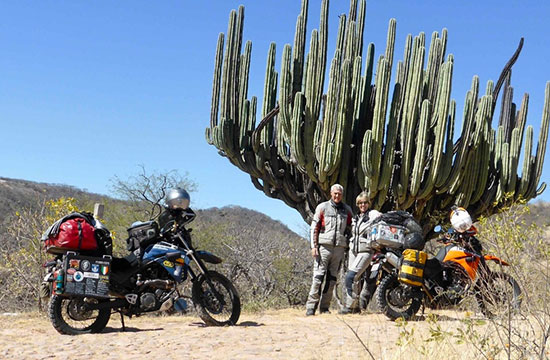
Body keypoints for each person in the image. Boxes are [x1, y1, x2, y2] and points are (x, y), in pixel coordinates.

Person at [305, 184, 353, 316]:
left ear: (342, 195)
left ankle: (324, 307)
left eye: (339, 193)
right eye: (335, 193)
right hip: (323, 247)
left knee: (332, 279)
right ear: (331, 194)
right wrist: (314, 247)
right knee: (318, 277)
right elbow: (314, 227)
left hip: (339, 249)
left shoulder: (346, 210)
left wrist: (347, 245)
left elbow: (351, 229)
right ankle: (310, 307)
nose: (337, 196)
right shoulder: (323, 207)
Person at [340, 192, 381, 314]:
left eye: (365, 202)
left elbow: (382, 221)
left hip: (366, 251)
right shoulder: (356, 217)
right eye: (360, 203)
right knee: (355, 280)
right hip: (354, 251)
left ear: (369, 203)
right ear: (358, 204)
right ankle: (354, 307)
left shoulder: (373, 214)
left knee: (351, 277)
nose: (363, 205)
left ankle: (350, 306)